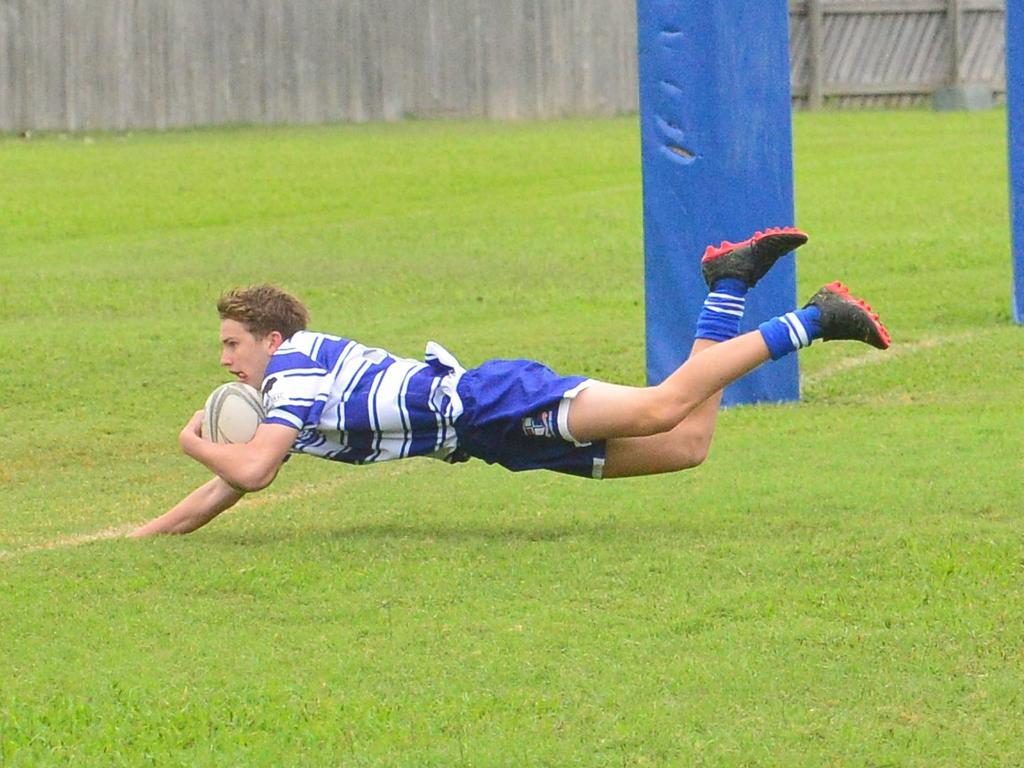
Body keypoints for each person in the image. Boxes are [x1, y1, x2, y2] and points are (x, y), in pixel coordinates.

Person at [130, 228, 890, 537]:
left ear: (271, 338)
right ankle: (726, 287)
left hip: (490, 402)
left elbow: (251, 470)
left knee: (663, 405)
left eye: (233, 345)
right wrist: (146, 536)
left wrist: (191, 442)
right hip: (491, 438)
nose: (227, 362)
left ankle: (815, 320)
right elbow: (232, 486)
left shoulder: (293, 370)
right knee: (687, 444)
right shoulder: (293, 390)